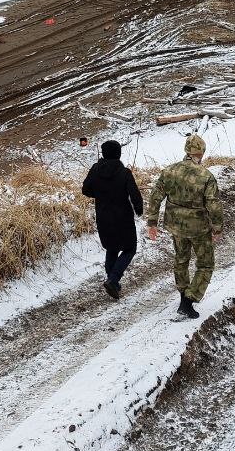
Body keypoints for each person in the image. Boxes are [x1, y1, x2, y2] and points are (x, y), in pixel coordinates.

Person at [147, 133, 223, 320]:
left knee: (181, 259)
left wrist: (152, 222)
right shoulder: (206, 177)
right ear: (201, 153)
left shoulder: (169, 171)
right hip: (199, 228)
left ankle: (183, 294)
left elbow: (155, 197)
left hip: (176, 226)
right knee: (205, 264)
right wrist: (217, 227)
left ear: (186, 151)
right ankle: (188, 300)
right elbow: (213, 204)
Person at [81, 139, 143, 299]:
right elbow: (134, 194)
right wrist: (139, 208)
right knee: (130, 249)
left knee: (112, 248)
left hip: (103, 216)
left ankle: (112, 282)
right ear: (118, 154)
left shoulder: (95, 170)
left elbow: (86, 189)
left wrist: (101, 195)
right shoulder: (124, 173)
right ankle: (113, 279)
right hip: (123, 217)